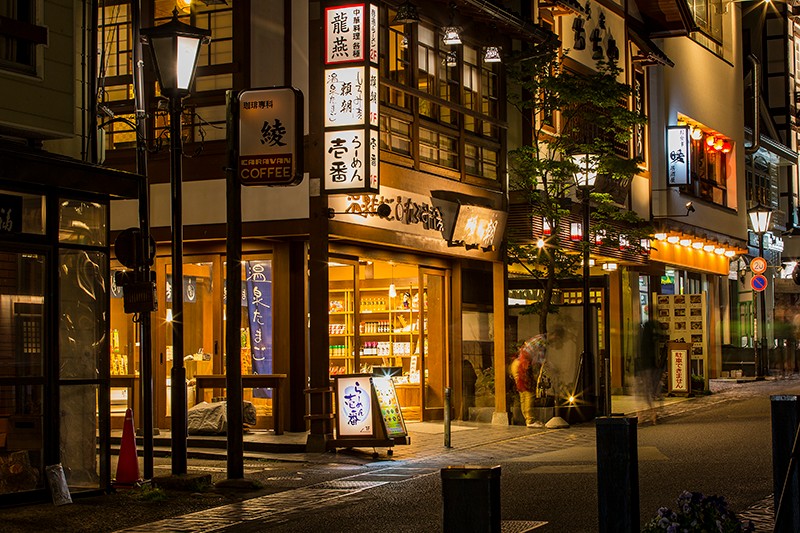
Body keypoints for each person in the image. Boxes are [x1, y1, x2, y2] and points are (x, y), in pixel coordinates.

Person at [511, 329, 559, 428]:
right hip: (522, 366)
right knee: (529, 392)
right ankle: (530, 420)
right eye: (555, 338)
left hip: (516, 364)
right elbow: (541, 359)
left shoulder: (537, 338)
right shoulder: (543, 341)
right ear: (553, 335)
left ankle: (528, 419)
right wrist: (553, 368)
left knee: (523, 393)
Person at [636, 319, 665, 424]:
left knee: (642, 393)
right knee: (647, 392)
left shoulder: (642, 339)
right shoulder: (652, 341)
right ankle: (650, 415)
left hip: (641, 369)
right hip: (649, 368)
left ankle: (641, 416)